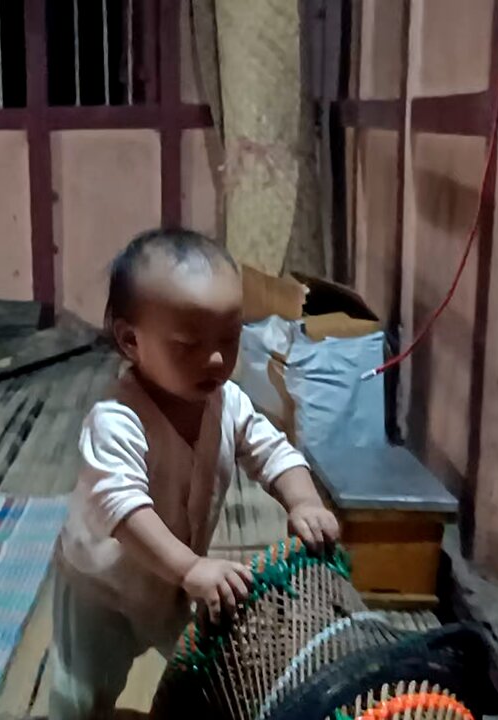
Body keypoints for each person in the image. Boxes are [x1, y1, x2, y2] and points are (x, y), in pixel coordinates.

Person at [50, 228, 341, 719]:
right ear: (130, 341)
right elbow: (122, 509)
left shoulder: (228, 403)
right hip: (101, 591)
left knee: (211, 676)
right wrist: (190, 567)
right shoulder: (115, 419)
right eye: (188, 345)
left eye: (229, 339)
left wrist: (305, 501)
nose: (215, 359)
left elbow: (275, 452)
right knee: (81, 700)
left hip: (175, 586)